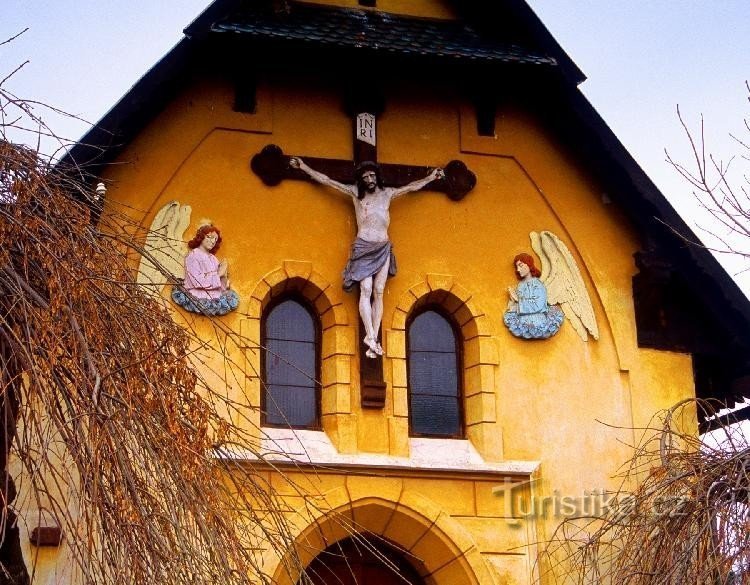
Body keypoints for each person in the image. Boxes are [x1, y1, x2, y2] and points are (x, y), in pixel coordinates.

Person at [290, 157, 444, 357]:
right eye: (365, 177)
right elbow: (328, 181)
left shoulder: (387, 193)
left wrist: (431, 178)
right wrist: (304, 167)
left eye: (372, 176)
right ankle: (369, 335)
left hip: (383, 246)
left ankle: (374, 337)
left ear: (377, 176)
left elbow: (411, 187)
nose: (369, 180)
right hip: (364, 246)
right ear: (361, 180)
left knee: (379, 290)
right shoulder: (356, 193)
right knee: (366, 288)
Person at [171, 224, 240, 316]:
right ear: (201, 237)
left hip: (215, 298)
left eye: (215, 240)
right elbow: (197, 281)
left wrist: (224, 274)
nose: (213, 241)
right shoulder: (193, 256)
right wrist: (219, 274)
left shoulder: (213, 259)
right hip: (199, 296)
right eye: (209, 237)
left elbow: (221, 286)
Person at [503, 253, 564, 339]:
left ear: (528, 265)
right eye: (517, 267)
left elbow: (538, 304)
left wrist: (518, 300)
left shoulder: (537, 284)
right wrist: (513, 300)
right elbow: (515, 306)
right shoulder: (520, 286)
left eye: (521, 265)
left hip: (537, 322)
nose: (518, 270)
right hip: (523, 324)